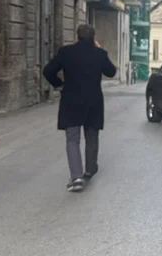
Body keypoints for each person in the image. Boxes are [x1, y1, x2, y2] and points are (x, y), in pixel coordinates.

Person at [43, 23, 117, 192]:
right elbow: (111, 72)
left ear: (77, 36)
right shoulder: (99, 54)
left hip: (71, 100)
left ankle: (76, 177)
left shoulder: (66, 52)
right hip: (93, 101)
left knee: (72, 139)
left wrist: (59, 85)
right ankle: (90, 170)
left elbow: (48, 71)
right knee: (92, 136)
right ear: (93, 38)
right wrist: (100, 49)